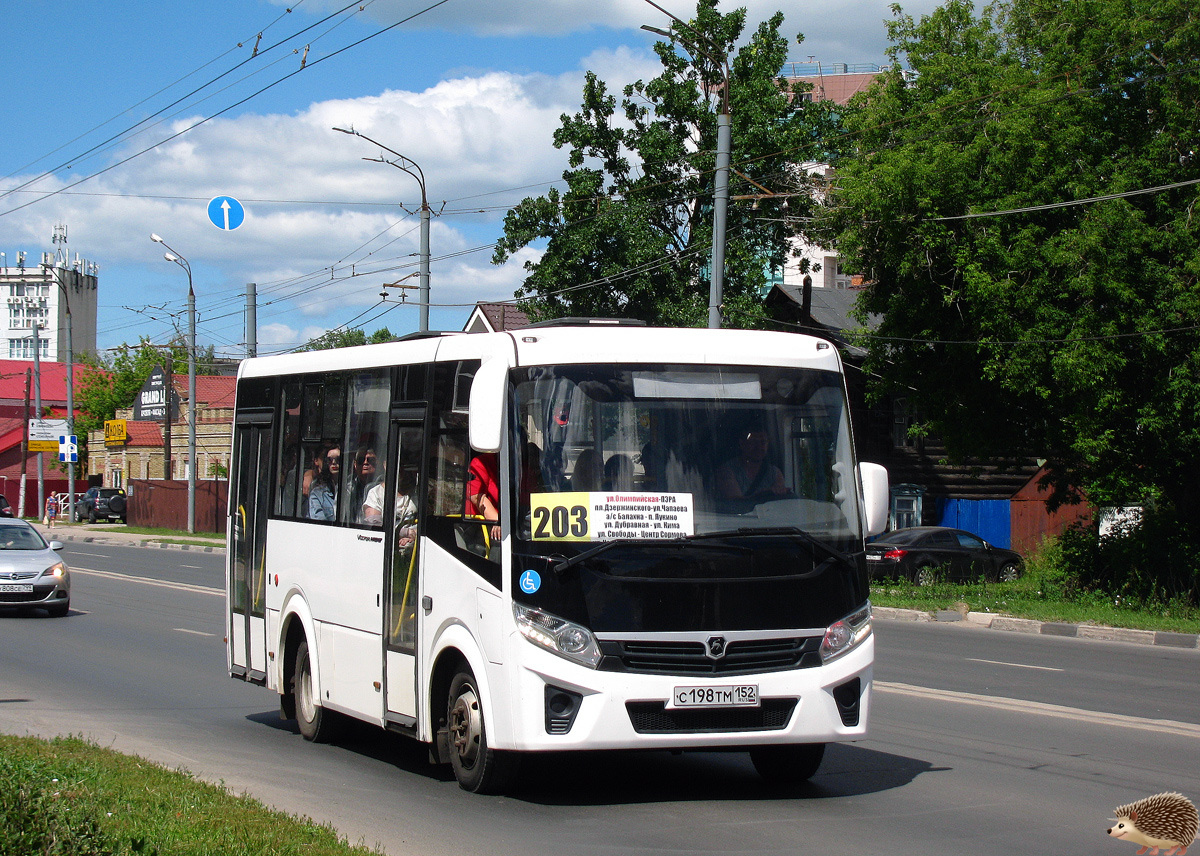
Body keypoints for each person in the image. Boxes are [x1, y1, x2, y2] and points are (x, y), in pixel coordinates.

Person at [714, 425, 787, 501]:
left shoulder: (774, 473)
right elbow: (736, 503)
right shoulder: (726, 471)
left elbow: (780, 499)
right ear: (742, 443)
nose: (759, 447)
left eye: (763, 442)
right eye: (753, 442)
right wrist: (764, 494)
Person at [466, 452, 501, 541]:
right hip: (479, 528)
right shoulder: (480, 463)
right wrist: (499, 522)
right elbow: (476, 497)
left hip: (512, 526)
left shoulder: (520, 465)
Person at [308, 444, 341, 521]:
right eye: (330, 459)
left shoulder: (351, 490)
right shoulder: (317, 494)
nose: (334, 462)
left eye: (338, 459)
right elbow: (319, 523)